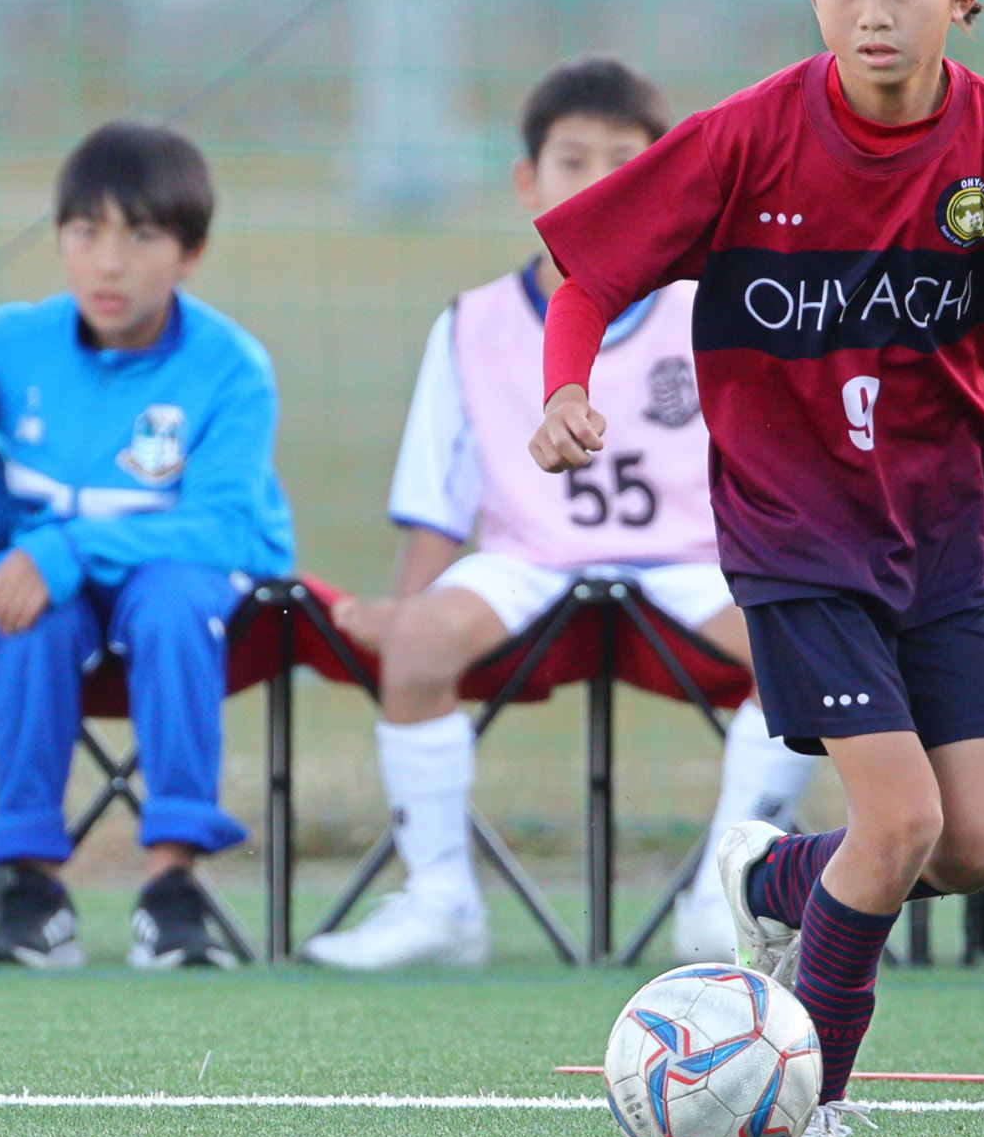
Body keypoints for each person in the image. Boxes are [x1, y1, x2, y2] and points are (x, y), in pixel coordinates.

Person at [528, 0, 984, 1137]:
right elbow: (590, 278)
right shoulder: (742, 139)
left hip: (944, 539)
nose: (873, 11)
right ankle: (809, 1110)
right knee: (901, 820)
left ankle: (771, 874)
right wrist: (567, 383)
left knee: (976, 843)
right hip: (793, 536)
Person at [305, 57, 816, 972]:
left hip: (690, 560)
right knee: (416, 645)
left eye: (625, 162)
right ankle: (442, 903)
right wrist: (407, 613)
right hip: (528, 560)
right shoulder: (471, 322)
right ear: (527, 182)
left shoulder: (711, 307)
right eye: (573, 162)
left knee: (801, 652)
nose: (599, 183)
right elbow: (436, 503)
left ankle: (728, 897)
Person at [0, 121, 294, 969]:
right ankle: (32, 893)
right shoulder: (2, 348)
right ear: (60, 239)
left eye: (141, 236)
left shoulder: (232, 367)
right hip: (51, 590)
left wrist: (64, 550)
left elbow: (224, 527)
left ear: (191, 252)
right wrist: (10, 546)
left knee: (171, 603)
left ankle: (171, 887)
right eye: (86, 232)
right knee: (24, 612)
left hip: (193, 586)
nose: (109, 263)